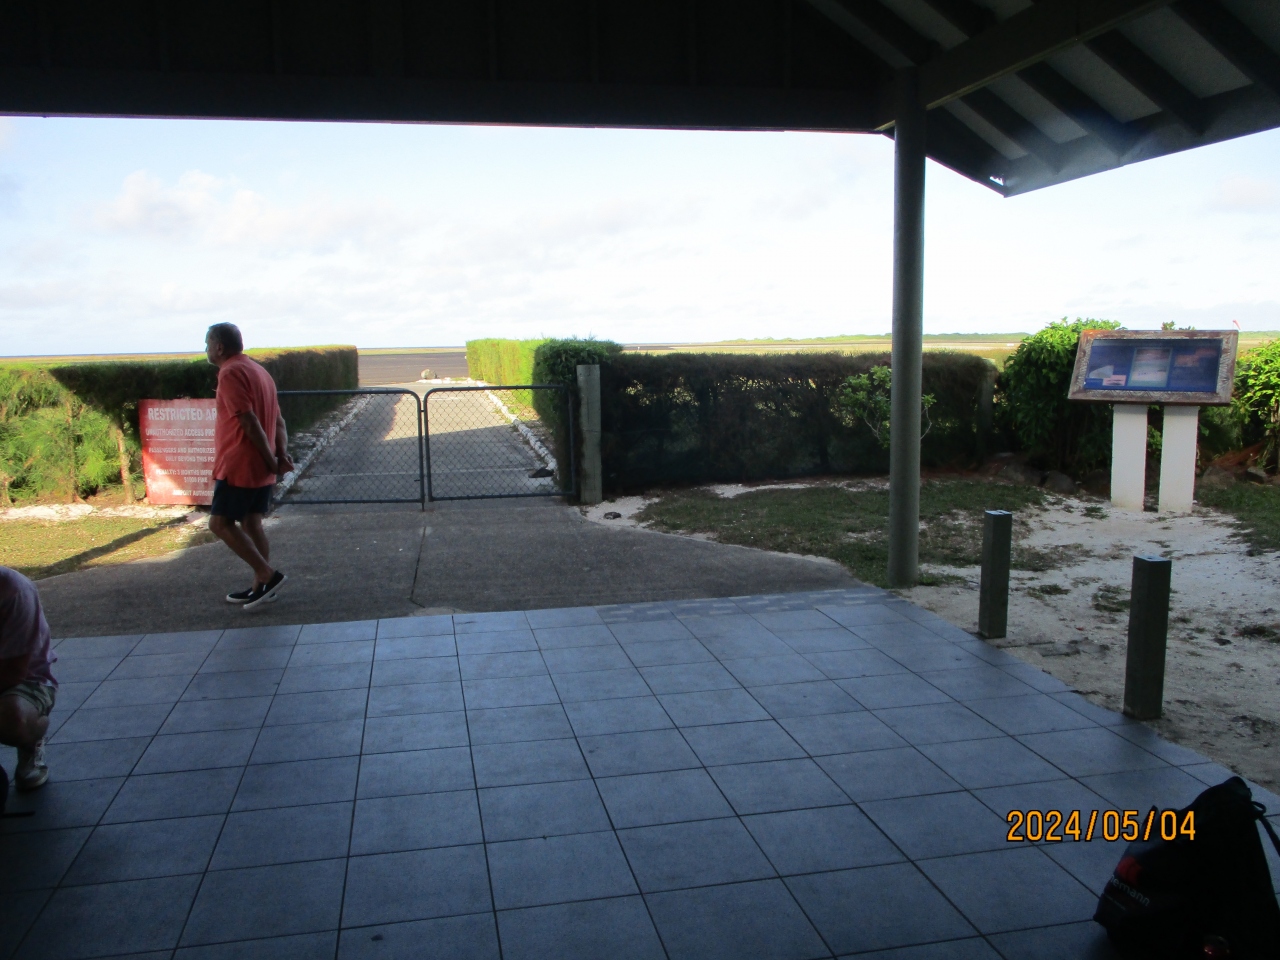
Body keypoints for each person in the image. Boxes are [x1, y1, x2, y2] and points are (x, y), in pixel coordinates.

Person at [205, 322, 294, 610]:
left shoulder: (230, 372)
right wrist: (279, 456)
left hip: (239, 465)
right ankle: (262, 586)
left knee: (219, 524)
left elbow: (248, 420)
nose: (206, 349)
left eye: (207, 344)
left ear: (219, 347)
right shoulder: (260, 372)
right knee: (252, 523)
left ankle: (267, 575)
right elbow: (279, 421)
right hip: (260, 467)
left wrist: (271, 459)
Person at [0, 566, 57, 791]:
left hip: (24, 679)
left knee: (12, 720)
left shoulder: (14, 590)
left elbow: (14, 671)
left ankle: (31, 740)